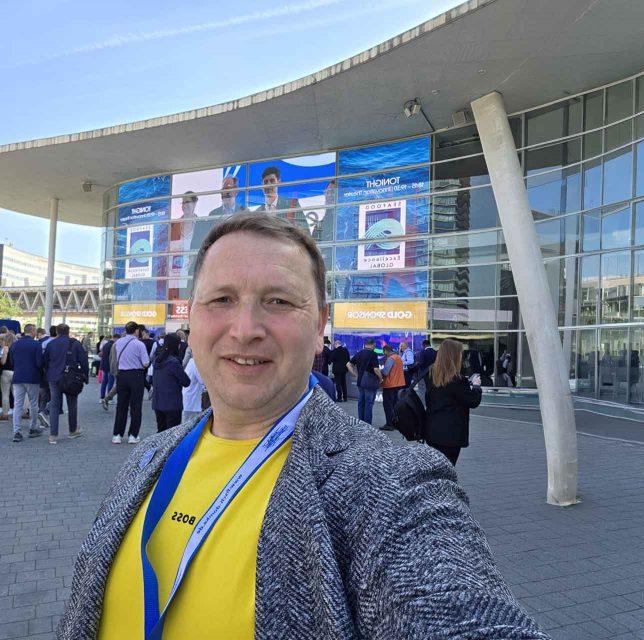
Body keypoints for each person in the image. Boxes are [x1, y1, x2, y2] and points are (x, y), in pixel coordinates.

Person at [59, 212, 547, 639]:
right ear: (193, 320)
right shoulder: (147, 459)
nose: (245, 327)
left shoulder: (388, 482)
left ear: (319, 328)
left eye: (278, 301)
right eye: (222, 299)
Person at [424, 338, 482, 466]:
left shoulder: (432, 374)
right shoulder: (457, 380)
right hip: (451, 434)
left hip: (432, 430)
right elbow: (473, 401)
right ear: (454, 356)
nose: (462, 357)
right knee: (447, 469)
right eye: (460, 354)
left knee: (436, 468)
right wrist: (477, 386)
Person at [43, 324, 88, 445]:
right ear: (69, 331)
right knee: (72, 404)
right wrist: (86, 376)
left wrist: (49, 372)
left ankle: (53, 435)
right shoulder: (75, 343)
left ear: (57, 332)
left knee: (54, 405)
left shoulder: (51, 344)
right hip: (71, 378)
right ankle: (72, 431)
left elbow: (45, 361)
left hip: (54, 378)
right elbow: (84, 361)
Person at [112, 321, 150, 444]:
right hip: (136, 376)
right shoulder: (139, 344)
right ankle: (133, 435)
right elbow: (145, 363)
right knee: (136, 406)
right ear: (136, 331)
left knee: (121, 405)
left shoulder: (118, 343)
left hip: (122, 375)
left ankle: (117, 434)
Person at [9, 324, 43, 441]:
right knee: (33, 403)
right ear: (32, 331)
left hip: (18, 377)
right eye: (35, 331)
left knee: (17, 404)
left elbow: (12, 361)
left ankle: (16, 432)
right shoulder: (37, 345)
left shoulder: (15, 344)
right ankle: (33, 428)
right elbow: (39, 363)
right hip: (33, 378)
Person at [151, 333, 191, 432]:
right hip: (172, 403)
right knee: (172, 435)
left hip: (158, 402)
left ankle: (159, 448)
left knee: (161, 432)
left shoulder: (157, 360)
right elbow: (186, 381)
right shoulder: (173, 362)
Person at [347, 338, 382, 424]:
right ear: (373, 344)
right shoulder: (373, 354)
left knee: (361, 403)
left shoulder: (359, 353)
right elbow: (376, 369)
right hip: (370, 383)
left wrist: (355, 374)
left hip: (360, 381)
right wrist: (380, 378)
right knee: (368, 404)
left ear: (365, 344)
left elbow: (348, 364)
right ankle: (367, 424)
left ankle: (361, 422)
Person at [378, 343, 404, 431]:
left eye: (383, 351)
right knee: (395, 405)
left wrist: (379, 371)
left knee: (388, 405)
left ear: (386, 351)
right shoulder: (398, 357)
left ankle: (389, 424)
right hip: (399, 384)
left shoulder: (391, 358)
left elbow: (385, 372)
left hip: (390, 385)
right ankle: (396, 423)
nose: (383, 353)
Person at [181, 354, 205, 424]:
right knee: (190, 425)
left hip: (188, 400)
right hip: (192, 403)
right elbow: (202, 380)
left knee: (185, 424)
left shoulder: (191, 362)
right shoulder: (195, 364)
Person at [0, 332, 16, 420]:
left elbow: (3, 362)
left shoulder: (5, 348)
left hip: (6, 372)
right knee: (16, 394)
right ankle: (22, 411)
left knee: (5, 394)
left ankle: (5, 414)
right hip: (15, 372)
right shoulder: (16, 348)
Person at [99, 334, 118, 402]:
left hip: (104, 365)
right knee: (111, 382)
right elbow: (113, 357)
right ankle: (109, 399)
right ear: (116, 338)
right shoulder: (114, 345)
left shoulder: (106, 344)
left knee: (104, 382)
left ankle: (102, 397)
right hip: (110, 366)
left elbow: (101, 354)